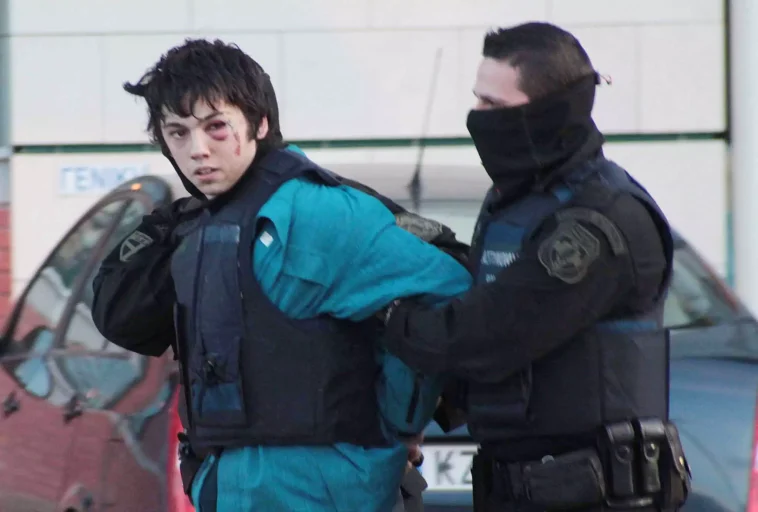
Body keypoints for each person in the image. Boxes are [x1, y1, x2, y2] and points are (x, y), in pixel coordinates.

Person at [90, 39, 473, 511]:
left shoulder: (315, 211)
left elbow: (449, 292)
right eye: (178, 133)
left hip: (331, 491)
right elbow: (124, 317)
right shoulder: (203, 223)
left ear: (259, 124)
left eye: (216, 127)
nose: (198, 150)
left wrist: (402, 422)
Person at [379, 22, 692, 512]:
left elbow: (489, 335)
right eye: (476, 99)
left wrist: (386, 314)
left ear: (550, 112)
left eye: (493, 104)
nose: (477, 117)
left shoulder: (602, 221)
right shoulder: (516, 204)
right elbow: (483, 321)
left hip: (592, 495)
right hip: (516, 487)